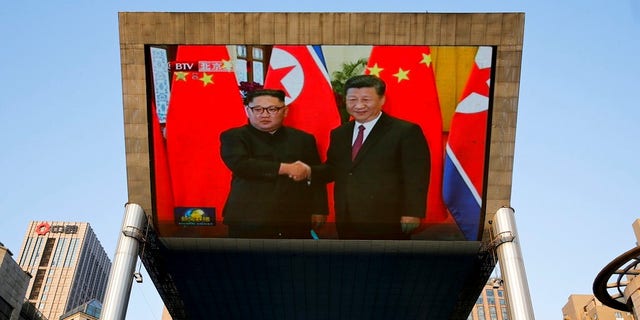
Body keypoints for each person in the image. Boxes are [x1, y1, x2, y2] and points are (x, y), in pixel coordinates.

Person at [312, 75, 430, 240]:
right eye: (352, 99)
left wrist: (412, 212)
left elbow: (416, 176)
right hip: (347, 216)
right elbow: (334, 168)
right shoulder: (340, 133)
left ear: (382, 100)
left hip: (387, 218)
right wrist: (306, 172)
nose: (359, 105)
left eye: (366, 99)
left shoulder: (405, 131)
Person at [220, 89, 328, 238]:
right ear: (247, 111)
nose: (264, 114)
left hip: (294, 217)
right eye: (257, 109)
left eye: (272, 109)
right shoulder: (234, 136)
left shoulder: (303, 139)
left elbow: (315, 175)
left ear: (285, 111)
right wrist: (286, 168)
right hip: (248, 217)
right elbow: (241, 165)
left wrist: (319, 209)